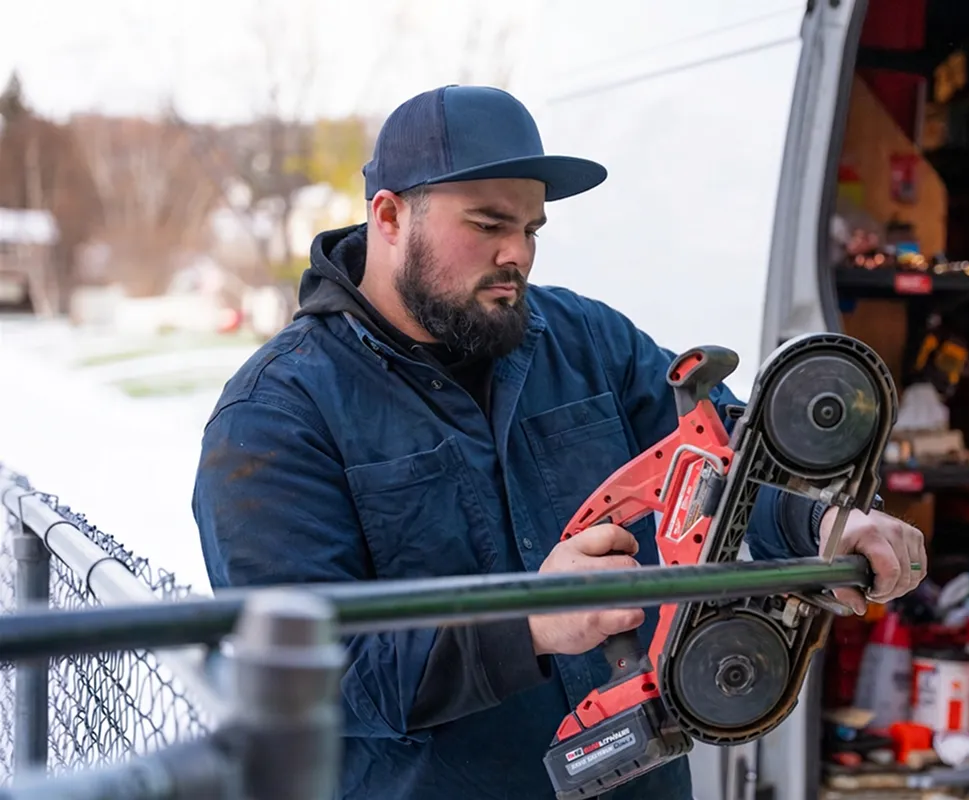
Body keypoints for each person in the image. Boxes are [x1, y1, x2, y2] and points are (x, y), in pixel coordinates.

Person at [192, 85, 927, 800]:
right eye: (487, 225)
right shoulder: (275, 417)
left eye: (532, 229)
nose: (517, 253)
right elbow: (308, 679)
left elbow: (718, 458)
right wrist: (533, 626)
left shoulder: (584, 341)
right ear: (389, 215)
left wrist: (820, 524)